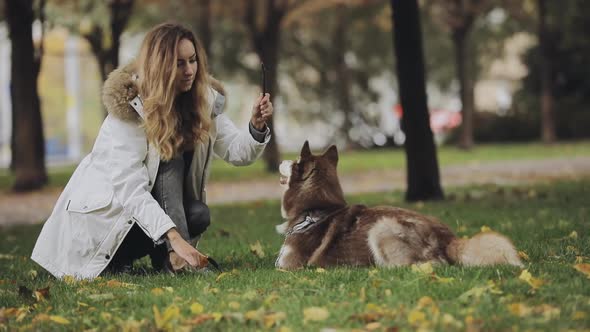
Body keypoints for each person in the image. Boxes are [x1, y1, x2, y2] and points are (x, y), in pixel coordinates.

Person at [31, 22, 273, 279]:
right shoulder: (130, 110)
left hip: (149, 217)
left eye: (193, 61)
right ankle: (132, 258)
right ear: (160, 66)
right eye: (180, 63)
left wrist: (256, 127)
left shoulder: (201, 100)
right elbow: (131, 192)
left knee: (199, 214)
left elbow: (238, 152)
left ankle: (171, 260)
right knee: (171, 161)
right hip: (108, 222)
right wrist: (174, 237)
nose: (190, 70)